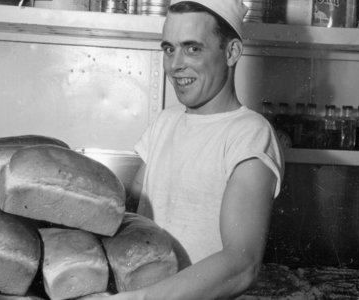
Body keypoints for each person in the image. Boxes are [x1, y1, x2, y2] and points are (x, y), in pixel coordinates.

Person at [109, 0, 284, 299]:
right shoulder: (165, 122)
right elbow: (129, 219)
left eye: (193, 48)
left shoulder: (249, 134)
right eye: (169, 49)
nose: (176, 64)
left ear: (231, 53)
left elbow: (242, 264)